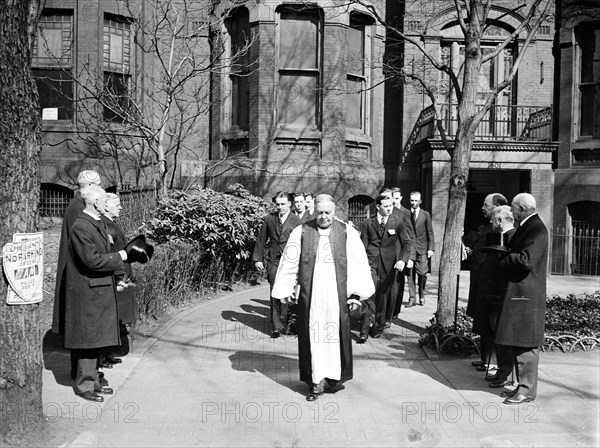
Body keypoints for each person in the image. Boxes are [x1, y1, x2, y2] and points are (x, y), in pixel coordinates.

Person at [271, 194, 375, 401]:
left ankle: (333, 376)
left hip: (336, 296)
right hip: (312, 297)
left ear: (335, 213)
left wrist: (355, 295)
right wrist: (285, 289)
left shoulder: (346, 232)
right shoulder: (302, 231)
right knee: (314, 337)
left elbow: (357, 265)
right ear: (315, 211)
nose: (324, 217)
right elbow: (290, 261)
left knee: (334, 336)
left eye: (328, 213)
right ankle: (315, 382)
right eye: (320, 213)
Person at [64, 185, 128, 402]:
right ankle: (85, 386)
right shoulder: (82, 226)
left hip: (98, 290)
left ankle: (94, 380)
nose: (106, 203)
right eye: (102, 200)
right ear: (94, 202)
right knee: (89, 340)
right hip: (89, 292)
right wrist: (119, 257)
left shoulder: (94, 223)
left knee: (96, 338)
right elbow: (92, 260)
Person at [495, 193, 548, 405]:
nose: (511, 212)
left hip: (526, 295)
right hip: (521, 294)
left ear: (522, 208)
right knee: (518, 342)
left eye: (514, 208)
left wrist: (503, 256)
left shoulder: (537, 229)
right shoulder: (529, 227)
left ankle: (526, 390)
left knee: (526, 344)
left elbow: (526, 260)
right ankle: (522, 386)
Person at [51, 170, 103, 380]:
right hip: (80, 275)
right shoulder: (79, 207)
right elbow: (83, 245)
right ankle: (81, 374)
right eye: (98, 184)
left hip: (82, 273)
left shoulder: (79, 204)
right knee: (81, 328)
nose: (101, 188)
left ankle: (87, 373)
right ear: (89, 186)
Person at [472, 205, 516, 386]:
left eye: (493, 219)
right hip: (492, 293)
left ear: (499, 220)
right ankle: (500, 369)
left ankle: (504, 372)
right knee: (493, 331)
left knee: (501, 334)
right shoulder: (499, 236)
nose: (490, 222)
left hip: (501, 294)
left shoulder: (511, 237)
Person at [359, 194, 412, 341]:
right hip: (371, 263)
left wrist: (402, 260)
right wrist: (361, 264)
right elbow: (362, 245)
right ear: (378, 207)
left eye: (390, 206)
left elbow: (407, 242)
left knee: (383, 296)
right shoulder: (368, 223)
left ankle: (378, 325)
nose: (389, 209)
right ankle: (364, 330)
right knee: (369, 295)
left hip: (389, 265)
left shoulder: (397, 222)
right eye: (386, 206)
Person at [465, 193, 508, 371]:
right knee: (483, 323)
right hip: (480, 283)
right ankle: (486, 359)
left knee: (489, 325)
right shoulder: (488, 229)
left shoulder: (498, 231)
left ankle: (492, 361)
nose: (482, 208)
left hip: (489, 287)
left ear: (496, 207)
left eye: (486, 205)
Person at [252, 191, 302, 338]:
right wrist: (258, 259)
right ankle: (276, 327)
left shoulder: (297, 221)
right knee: (275, 292)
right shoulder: (269, 219)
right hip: (273, 261)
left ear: (289, 204)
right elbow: (261, 240)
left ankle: (289, 324)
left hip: (290, 262)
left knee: (288, 293)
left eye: (283, 204)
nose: (280, 207)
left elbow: (302, 243)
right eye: (277, 204)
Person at [101, 193, 137, 365]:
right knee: (110, 317)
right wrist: (118, 279)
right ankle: (102, 356)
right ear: (106, 206)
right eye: (117, 204)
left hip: (120, 274)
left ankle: (107, 354)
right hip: (116, 276)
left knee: (114, 317)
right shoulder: (106, 226)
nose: (121, 207)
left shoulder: (111, 223)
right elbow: (109, 253)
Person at [387, 187, 416, 321]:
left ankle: (394, 312)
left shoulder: (403, 214)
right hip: (385, 256)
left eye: (391, 197)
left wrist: (409, 257)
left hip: (399, 255)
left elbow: (411, 237)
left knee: (397, 285)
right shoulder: (379, 211)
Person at [406, 191, 435, 307]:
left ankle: (422, 294)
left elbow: (430, 232)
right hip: (410, 248)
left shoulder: (425, 214)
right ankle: (412, 298)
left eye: (416, 201)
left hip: (422, 248)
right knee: (410, 274)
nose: (413, 203)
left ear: (420, 201)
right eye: (412, 200)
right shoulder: (406, 214)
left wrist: (431, 248)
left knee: (422, 272)